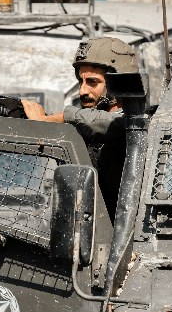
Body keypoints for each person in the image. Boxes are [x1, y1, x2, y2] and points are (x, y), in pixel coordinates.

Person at [22, 37, 141, 220]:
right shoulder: (87, 123)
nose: (82, 91)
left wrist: (57, 117)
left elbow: (114, 125)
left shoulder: (138, 123)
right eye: (81, 81)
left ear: (119, 84)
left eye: (92, 82)